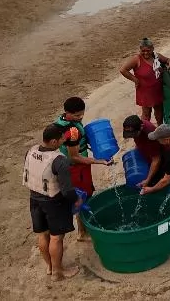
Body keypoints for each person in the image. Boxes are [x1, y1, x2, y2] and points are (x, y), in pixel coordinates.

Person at [24, 123, 83, 281]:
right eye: (62, 138)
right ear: (53, 142)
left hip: (34, 198)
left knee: (43, 234)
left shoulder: (31, 151)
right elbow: (67, 190)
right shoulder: (59, 160)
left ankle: (50, 267)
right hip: (54, 202)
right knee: (57, 237)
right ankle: (58, 272)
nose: (64, 139)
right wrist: (76, 201)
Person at [56, 96, 112, 241]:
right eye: (76, 115)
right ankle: (82, 232)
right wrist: (99, 161)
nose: (80, 117)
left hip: (78, 166)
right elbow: (74, 156)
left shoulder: (62, 121)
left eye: (82, 114)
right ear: (67, 112)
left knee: (86, 194)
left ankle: (84, 227)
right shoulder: (72, 131)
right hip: (77, 167)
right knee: (81, 197)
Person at [120, 38, 170, 125]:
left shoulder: (156, 56)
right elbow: (123, 70)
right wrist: (135, 80)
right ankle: (145, 131)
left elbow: (168, 60)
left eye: (148, 50)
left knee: (159, 112)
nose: (145, 53)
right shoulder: (136, 59)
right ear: (140, 50)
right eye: (143, 51)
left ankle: (160, 129)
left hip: (157, 90)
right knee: (146, 114)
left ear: (152, 48)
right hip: (144, 91)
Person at [122, 114, 164, 188]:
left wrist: (147, 180)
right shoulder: (136, 127)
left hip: (161, 160)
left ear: (141, 127)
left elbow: (156, 159)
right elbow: (139, 143)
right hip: (149, 155)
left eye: (133, 134)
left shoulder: (150, 135)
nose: (132, 136)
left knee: (154, 183)